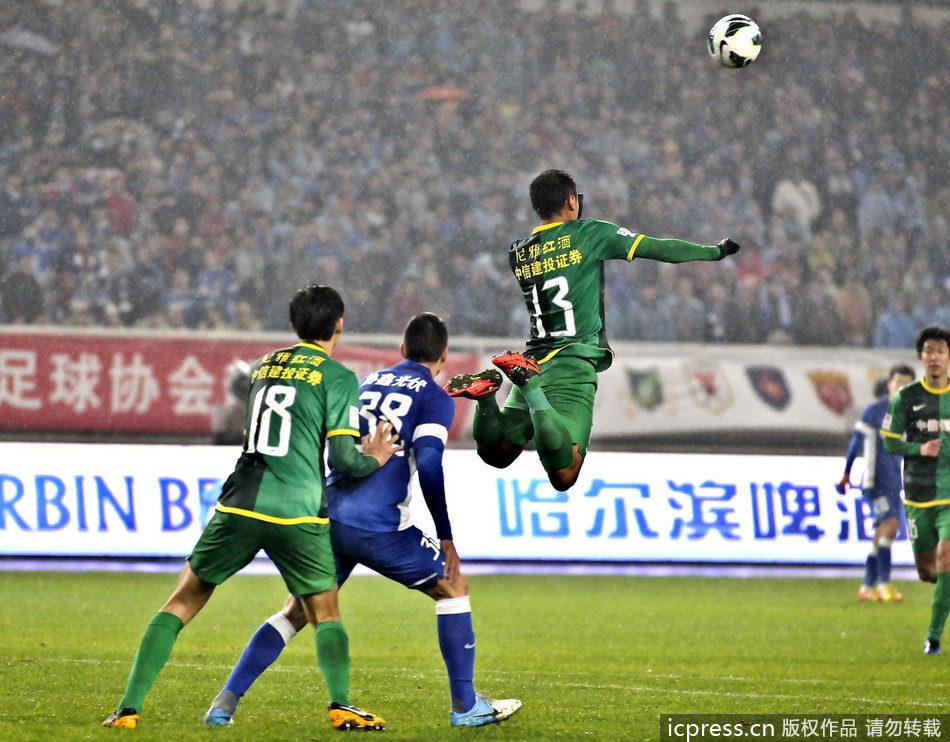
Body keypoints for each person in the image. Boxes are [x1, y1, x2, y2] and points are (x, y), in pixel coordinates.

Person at [102, 285, 402, 731]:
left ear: (294, 325)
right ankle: (340, 705)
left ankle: (128, 709)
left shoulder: (264, 366)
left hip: (241, 501)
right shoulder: (337, 378)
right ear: (339, 325)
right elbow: (343, 459)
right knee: (324, 611)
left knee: (183, 600)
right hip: (298, 512)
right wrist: (374, 457)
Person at [202, 313, 521, 729]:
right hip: (379, 525)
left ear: (402, 351)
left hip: (330, 514)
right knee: (453, 586)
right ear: (444, 354)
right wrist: (445, 536)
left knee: (296, 612)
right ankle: (465, 706)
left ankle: (224, 703)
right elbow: (428, 463)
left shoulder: (367, 384)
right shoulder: (433, 396)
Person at [443, 169, 739, 491]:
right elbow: (659, 248)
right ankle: (531, 389)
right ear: (572, 201)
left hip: (533, 357)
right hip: (573, 361)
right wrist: (714, 252)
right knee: (564, 472)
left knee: (497, 454)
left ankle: (487, 399)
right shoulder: (590, 233)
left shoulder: (519, 251)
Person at [882, 326, 950, 655]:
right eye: (929, 351)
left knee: (946, 557)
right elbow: (888, 441)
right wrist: (918, 450)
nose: (934, 356)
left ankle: (933, 637)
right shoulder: (906, 398)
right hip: (917, 496)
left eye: (941, 350)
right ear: (920, 356)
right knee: (927, 571)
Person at [837, 363, 916, 602]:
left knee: (881, 533)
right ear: (889, 383)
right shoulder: (874, 411)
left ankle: (867, 587)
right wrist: (847, 472)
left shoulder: (909, 414)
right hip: (873, 481)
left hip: (894, 482)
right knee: (890, 527)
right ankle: (884, 585)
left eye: (907, 382)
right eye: (898, 381)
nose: (901, 386)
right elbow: (855, 443)